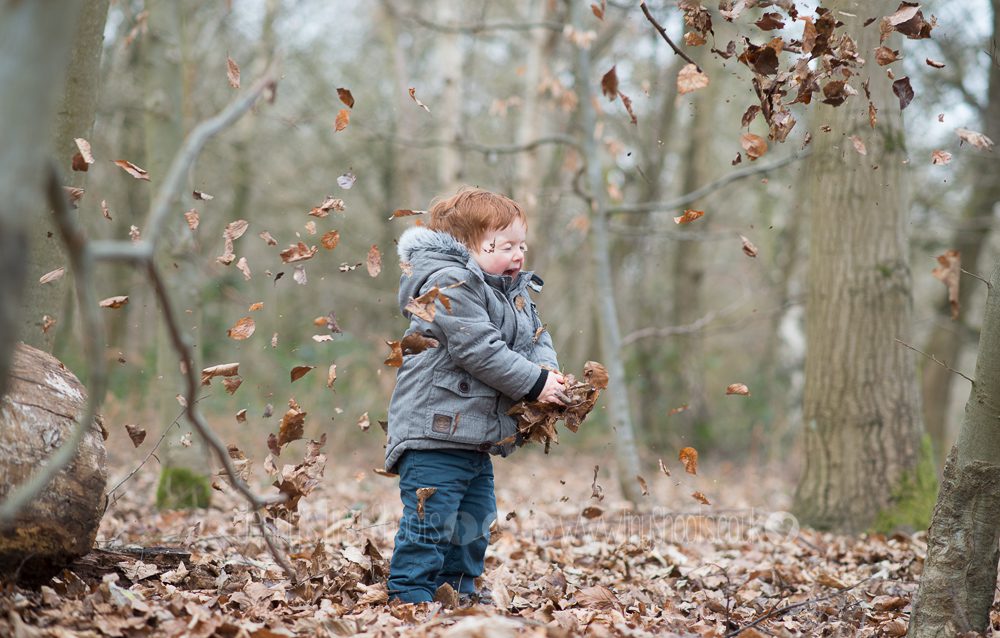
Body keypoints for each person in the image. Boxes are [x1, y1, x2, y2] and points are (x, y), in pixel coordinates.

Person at [385, 187, 566, 605]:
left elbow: (535, 337)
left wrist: (548, 372)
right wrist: (534, 384)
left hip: (474, 436)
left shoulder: (511, 290)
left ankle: (457, 591)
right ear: (467, 247)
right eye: (504, 246)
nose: (518, 254)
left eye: (521, 244)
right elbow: (478, 349)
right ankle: (409, 595)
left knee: (475, 522)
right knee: (431, 520)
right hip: (434, 431)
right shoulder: (449, 283)